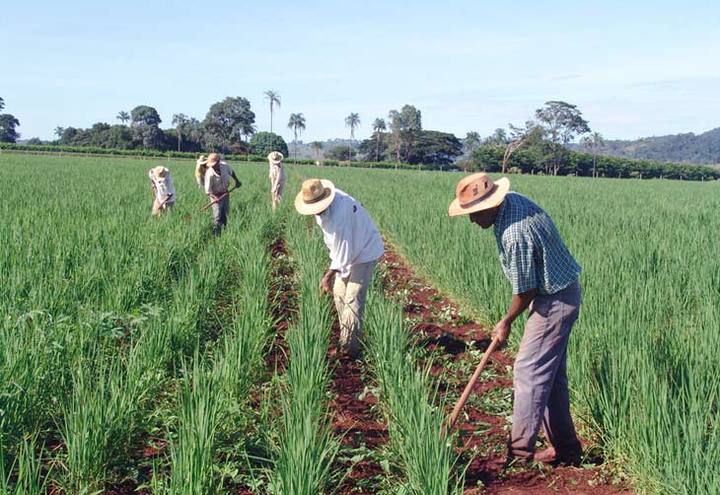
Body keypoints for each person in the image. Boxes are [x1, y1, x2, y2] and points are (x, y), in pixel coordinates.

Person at [448, 172, 583, 466]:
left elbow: (526, 289)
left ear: (490, 205)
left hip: (554, 300)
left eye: (473, 214)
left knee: (529, 370)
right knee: (550, 377)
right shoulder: (512, 202)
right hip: (558, 292)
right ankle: (567, 449)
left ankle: (519, 453)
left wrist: (506, 320)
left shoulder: (514, 232)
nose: (471, 221)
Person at [294, 179, 384, 358]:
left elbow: (343, 251)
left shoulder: (339, 215)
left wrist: (327, 276)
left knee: (353, 297)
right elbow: (335, 245)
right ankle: (349, 335)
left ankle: (349, 348)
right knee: (339, 294)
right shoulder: (323, 205)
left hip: (365, 251)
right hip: (349, 248)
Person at [202, 153, 241, 235]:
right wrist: (215, 197)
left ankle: (224, 230)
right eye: (211, 165)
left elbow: (231, 172)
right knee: (217, 215)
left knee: (225, 213)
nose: (213, 166)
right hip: (215, 195)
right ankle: (216, 233)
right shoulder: (209, 174)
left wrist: (236, 180)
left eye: (215, 164)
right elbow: (208, 191)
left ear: (218, 161)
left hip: (225, 193)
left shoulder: (225, 166)